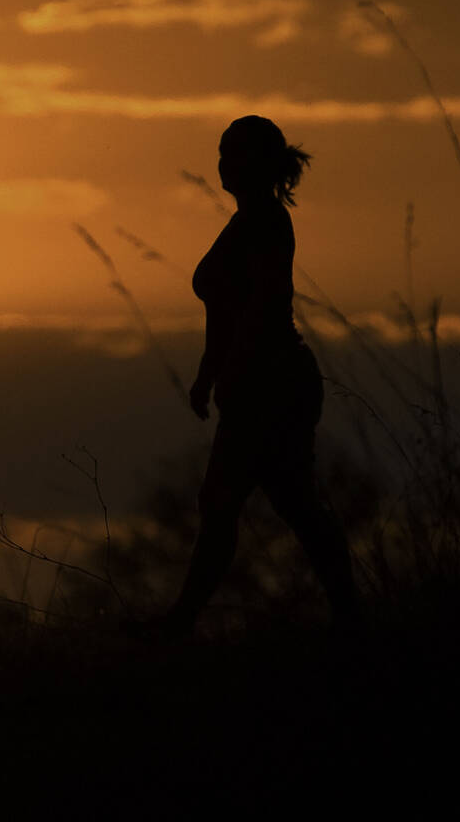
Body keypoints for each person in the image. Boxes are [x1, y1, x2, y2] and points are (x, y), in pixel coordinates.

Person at [151, 115, 358, 637]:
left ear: (260, 163)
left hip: (273, 383)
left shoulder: (265, 221)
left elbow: (263, 306)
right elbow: (222, 311)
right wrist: (207, 373)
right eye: (221, 152)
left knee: (241, 502)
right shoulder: (245, 222)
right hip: (257, 382)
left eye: (234, 153)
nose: (223, 164)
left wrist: (234, 372)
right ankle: (352, 618)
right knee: (277, 502)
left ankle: (180, 624)